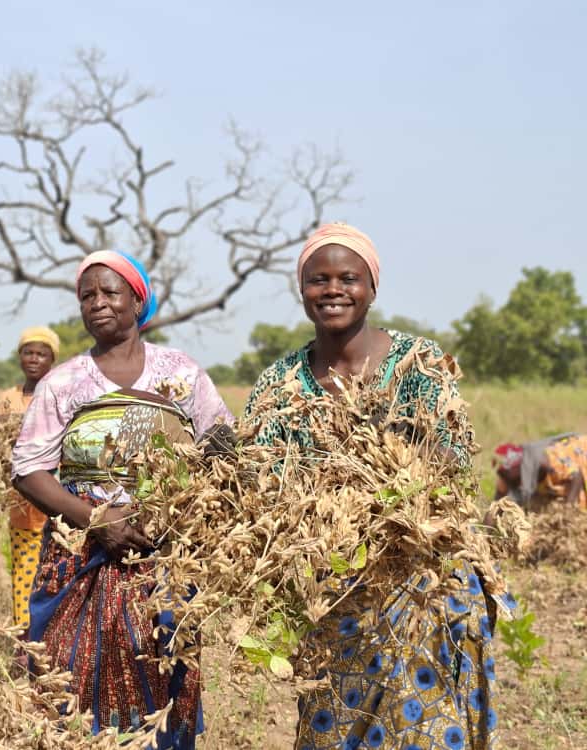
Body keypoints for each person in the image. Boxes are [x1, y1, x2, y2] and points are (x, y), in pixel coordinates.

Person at [245, 223, 506, 750]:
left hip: (421, 582)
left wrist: (393, 455)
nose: (333, 290)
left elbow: (455, 463)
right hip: (332, 591)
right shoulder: (279, 384)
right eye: (319, 279)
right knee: (336, 728)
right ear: (302, 290)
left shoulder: (418, 364)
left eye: (348, 278)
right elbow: (262, 484)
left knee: (427, 729)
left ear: (372, 288)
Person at [11, 250, 233, 749]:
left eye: (110, 292)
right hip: (80, 556)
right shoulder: (64, 382)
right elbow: (28, 470)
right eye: (87, 295)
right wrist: (97, 520)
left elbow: (222, 447)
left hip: (164, 559)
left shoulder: (180, 373)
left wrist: (183, 509)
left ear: (138, 302)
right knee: (68, 683)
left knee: (163, 674)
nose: (98, 303)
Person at [0, 326, 59, 630]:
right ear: (19, 356)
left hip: (58, 507)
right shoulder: (8, 400)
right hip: (21, 507)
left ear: (52, 359)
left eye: (41, 354)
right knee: (24, 574)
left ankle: (50, 637)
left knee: (54, 576)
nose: (34, 359)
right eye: (28, 352)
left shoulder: (59, 395)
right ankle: (24, 638)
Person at [493, 434, 587, 514]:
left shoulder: (546, 462)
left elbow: (576, 476)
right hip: (556, 475)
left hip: (581, 454)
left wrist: (568, 510)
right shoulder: (507, 472)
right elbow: (498, 502)